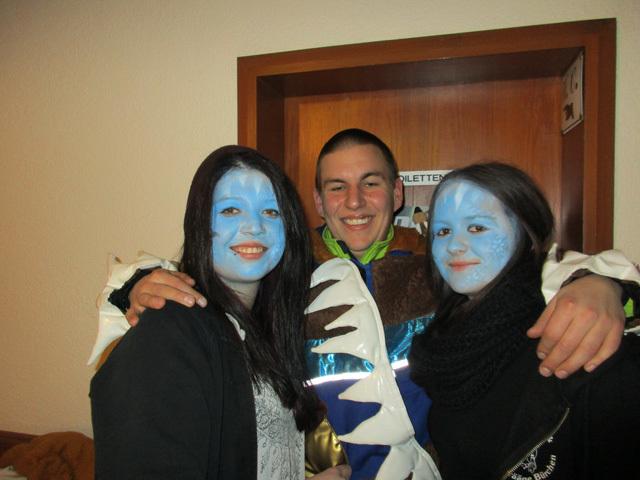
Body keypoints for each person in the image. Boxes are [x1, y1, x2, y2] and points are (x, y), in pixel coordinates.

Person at [91, 130, 634, 479]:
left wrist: (602, 285)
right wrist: (136, 284)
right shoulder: (283, 272)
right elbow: (198, 277)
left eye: (370, 184)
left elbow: (538, 270)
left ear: (397, 194)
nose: (354, 202)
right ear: (318, 201)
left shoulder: (441, 262)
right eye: (336, 187)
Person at [90, 146, 351, 480]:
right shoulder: (170, 334)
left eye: (271, 212)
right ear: (199, 224)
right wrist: (132, 285)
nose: (254, 227)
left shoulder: (271, 329)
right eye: (230, 210)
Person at [409, 162, 640, 479]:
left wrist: (609, 286)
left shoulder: (579, 342)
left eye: (477, 228)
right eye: (443, 231)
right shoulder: (443, 345)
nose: (454, 245)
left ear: (528, 234)